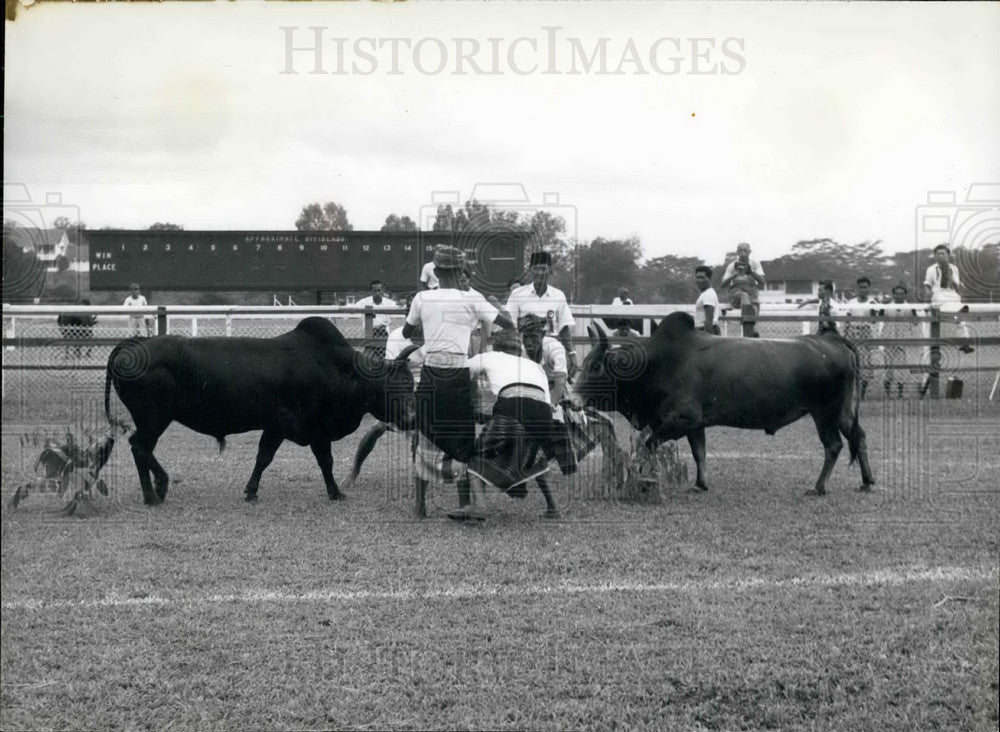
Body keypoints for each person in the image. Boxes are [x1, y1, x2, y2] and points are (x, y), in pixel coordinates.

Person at [403, 245, 515, 518]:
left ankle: (420, 505)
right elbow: (509, 324)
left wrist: (430, 329)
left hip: (431, 372)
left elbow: (407, 331)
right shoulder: (473, 298)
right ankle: (465, 502)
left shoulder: (422, 297)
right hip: (458, 374)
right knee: (463, 436)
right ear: (461, 271)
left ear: (437, 271)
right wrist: (495, 306)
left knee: (426, 433)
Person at [460, 329, 572, 520]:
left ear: (495, 346)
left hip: (512, 409)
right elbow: (541, 399)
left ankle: (479, 506)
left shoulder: (491, 356)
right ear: (519, 349)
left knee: (474, 453)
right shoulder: (535, 366)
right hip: (543, 415)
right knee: (536, 458)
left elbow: (461, 371)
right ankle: (553, 507)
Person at [505, 251, 578, 378]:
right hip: (525, 344)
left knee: (559, 378)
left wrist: (571, 353)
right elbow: (509, 324)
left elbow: (564, 327)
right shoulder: (518, 294)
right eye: (535, 269)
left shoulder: (558, 295)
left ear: (550, 271)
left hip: (550, 344)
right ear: (530, 271)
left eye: (543, 269)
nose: (539, 273)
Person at [922, 243, 973, 354]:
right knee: (947, 307)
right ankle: (957, 310)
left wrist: (950, 277)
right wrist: (928, 295)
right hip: (938, 295)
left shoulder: (954, 268)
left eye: (943, 253)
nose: (941, 256)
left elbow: (957, 286)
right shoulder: (931, 269)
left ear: (948, 255)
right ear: (935, 256)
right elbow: (927, 285)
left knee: (961, 320)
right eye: (938, 254)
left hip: (952, 294)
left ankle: (965, 343)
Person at [880, 283, 920, 399]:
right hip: (889, 339)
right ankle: (887, 393)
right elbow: (878, 319)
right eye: (896, 294)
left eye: (901, 294)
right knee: (888, 366)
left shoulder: (909, 307)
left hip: (902, 340)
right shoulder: (887, 307)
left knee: (901, 367)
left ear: (905, 295)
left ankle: (900, 392)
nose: (899, 296)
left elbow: (916, 321)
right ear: (893, 295)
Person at [844, 276, 881, 398]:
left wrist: (872, 313)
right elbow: (847, 320)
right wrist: (845, 335)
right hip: (853, 332)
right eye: (861, 287)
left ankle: (862, 393)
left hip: (866, 332)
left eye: (865, 287)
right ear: (857, 288)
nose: (863, 289)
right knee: (852, 362)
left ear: (869, 288)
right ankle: (852, 391)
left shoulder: (873, 303)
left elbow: (875, 321)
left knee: (866, 363)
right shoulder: (851, 303)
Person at [720, 243, 765, 337]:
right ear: (737, 252)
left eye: (745, 250)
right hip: (736, 293)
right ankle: (747, 326)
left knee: (755, 303)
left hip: (751, 293)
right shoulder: (732, 266)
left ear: (750, 251)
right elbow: (723, 284)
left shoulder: (755, 264)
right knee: (743, 295)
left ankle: (751, 329)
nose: (742, 253)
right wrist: (733, 276)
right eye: (740, 250)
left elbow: (762, 282)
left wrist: (751, 272)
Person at [693, 265, 720, 335]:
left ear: (709, 278)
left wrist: (706, 338)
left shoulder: (709, 294)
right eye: (697, 277)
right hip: (700, 329)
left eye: (702, 278)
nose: (699, 280)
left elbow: (709, 320)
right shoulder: (704, 294)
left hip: (707, 330)